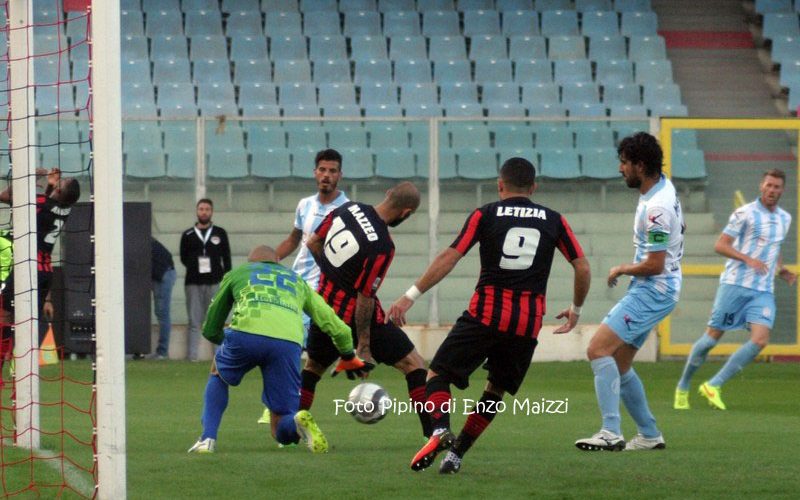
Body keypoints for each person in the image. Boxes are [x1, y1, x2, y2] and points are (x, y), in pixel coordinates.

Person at [387, 157, 590, 474]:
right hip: (527, 323)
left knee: (436, 375)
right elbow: (582, 266)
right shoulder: (554, 220)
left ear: (500, 184)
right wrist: (576, 310)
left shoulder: (486, 214)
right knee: (494, 390)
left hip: (486, 313)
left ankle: (440, 429)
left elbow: (450, 256)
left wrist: (409, 296)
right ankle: (456, 456)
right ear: (533, 187)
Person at [187, 246, 367, 454]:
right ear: (277, 263)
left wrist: (224, 339)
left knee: (218, 374)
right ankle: (296, 420)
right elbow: (333, 323)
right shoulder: (297, 281)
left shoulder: (239, 273)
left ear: (251, 262)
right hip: (288, 343)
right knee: (281, 423)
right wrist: (347, 353)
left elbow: (211, 327)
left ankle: (207, 439)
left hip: (247, 333)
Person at [574, 132, 684, 452]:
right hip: (659, 289)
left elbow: (655, 265)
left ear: (639, 164)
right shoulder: (661, 187)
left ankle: (610, 431)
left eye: (624, 163)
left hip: (653, 289)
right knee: (620, 365)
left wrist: (621, 268)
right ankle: (649, 434)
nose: (620, 169)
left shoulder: (657, 209)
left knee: (597, 350)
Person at [300, 181, 433, 438]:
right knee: (414, 365)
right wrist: (364, 345)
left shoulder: (348, 208)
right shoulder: (382, 245)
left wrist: (333, 275)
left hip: (324, 307)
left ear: (387, 193)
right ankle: (432, 435)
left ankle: (290, 434)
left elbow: (313, 242)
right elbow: (364, 297)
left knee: (313, 368)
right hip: (355, 315)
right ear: (406, 213)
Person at [674, 169, 795, 410]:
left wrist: (781, 270)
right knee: (711, 340)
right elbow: (720, 245)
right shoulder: (744, 213)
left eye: (777, 187)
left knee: (760, 340)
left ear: (783, 190)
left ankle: (714, 385)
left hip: (763, 290)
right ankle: (683, 386)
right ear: (761, 186)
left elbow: (774, 248)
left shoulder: (785, 218)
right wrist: (747, 259)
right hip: (735, 285)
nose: (772, 190)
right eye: (769, 185)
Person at [257, 148, 348, 424]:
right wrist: (271, 259)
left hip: (323, 290)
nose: (326, 175)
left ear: (340, 175)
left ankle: (281, 405)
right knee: (288, 344)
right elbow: (294, 238)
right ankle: (281, 404)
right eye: (322, 170)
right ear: (315, 172)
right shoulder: (305, 205)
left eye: (332, 171)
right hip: (295, 284)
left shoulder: (348, 210)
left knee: (295, 346)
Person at [0, 167, 80, 384]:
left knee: (4, 316)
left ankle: (3, 366)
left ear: (60, 192)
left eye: (61, 183)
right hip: (44, 271)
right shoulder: (64, 209)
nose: (59, 180)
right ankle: (22, 373)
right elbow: (46, 208)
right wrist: (51, 186)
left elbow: (5, 196)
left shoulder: (43, 204)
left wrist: (31, 174)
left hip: (28, 268)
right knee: (25, 322)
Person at [179, 198, 231, 361]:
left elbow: (226, 257)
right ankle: (192, 356)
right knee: (194, 320)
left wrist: (225, 279)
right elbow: (183, 257)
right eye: (201, 209)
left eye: (207, 209)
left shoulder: (220, 233)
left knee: (215, 319)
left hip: (215, 282)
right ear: (197, 211)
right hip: (193, 282)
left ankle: (219, 357)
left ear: (212, 212)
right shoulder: (187, 234)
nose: (204, 212)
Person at [150, 238, 176, 360]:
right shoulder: (148, 240)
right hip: (164, 273)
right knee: (162, 314)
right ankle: (161, 351)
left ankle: (162, 352)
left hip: (162, 274)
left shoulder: (140, 241)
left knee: (162, 313)